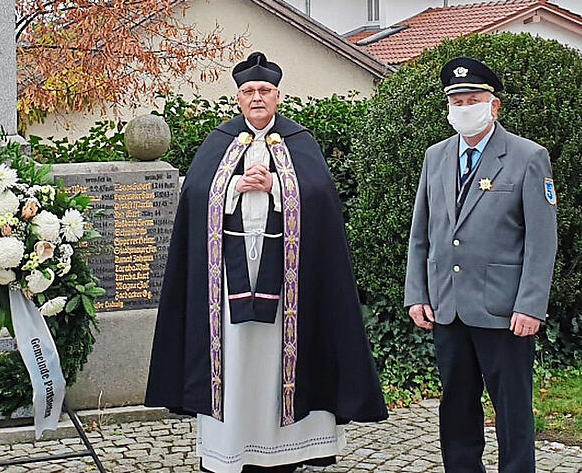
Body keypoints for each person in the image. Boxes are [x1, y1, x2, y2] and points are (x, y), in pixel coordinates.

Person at [146, 52, 387, 473]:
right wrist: (235, 186)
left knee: (279, 362)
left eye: (265, 91)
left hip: (289, 284)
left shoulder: (301, 141)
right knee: (235, 364)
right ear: (237, 98)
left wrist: (276, 184)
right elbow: (196, 196)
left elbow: (320, 198)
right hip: (225, 284)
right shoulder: (219, 141)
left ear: (278, 95)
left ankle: (286, 450)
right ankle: (231, 447)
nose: (257, 98)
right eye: (248, 91)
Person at [404, 57, 557, 473]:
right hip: (448, 305)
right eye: (457, 100)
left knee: (511, 408)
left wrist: (530, 304)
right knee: (456, 402)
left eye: (473, 99)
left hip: (504, 309)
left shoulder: (527, 157)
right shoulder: (436, 156)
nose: (464, 106)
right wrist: (417, 292)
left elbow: (542, 240)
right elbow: (422, 231)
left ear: (494, 105)